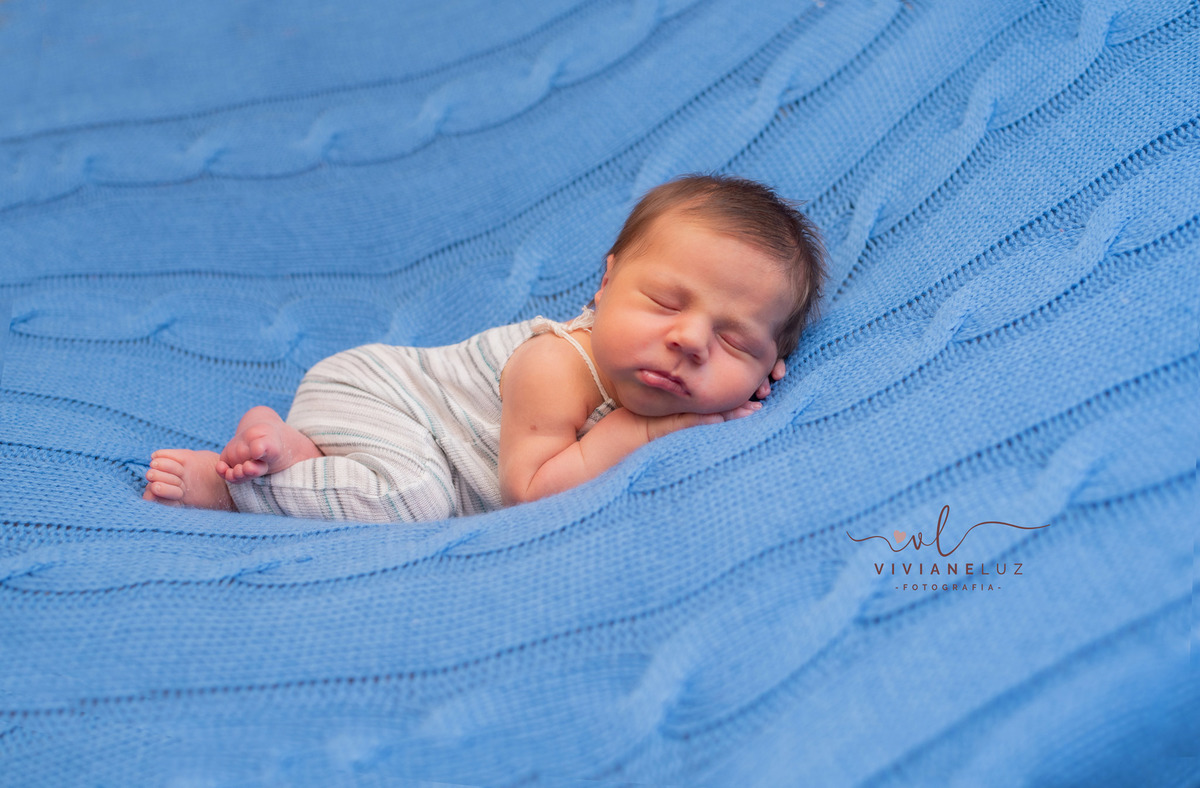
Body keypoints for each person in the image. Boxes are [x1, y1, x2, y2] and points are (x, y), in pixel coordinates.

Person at [142, 174, 826, 522]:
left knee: (406, 481)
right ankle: (239, 489)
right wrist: (644, 428)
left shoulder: (710, 373)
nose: (689, 341)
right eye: (666, 303)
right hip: (380, 398)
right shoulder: (557, 364)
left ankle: (301, 455)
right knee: (414, 499)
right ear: (607, 284)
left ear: (772, 367)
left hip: (394, 433)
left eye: (734, 340)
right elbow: (529, 492)